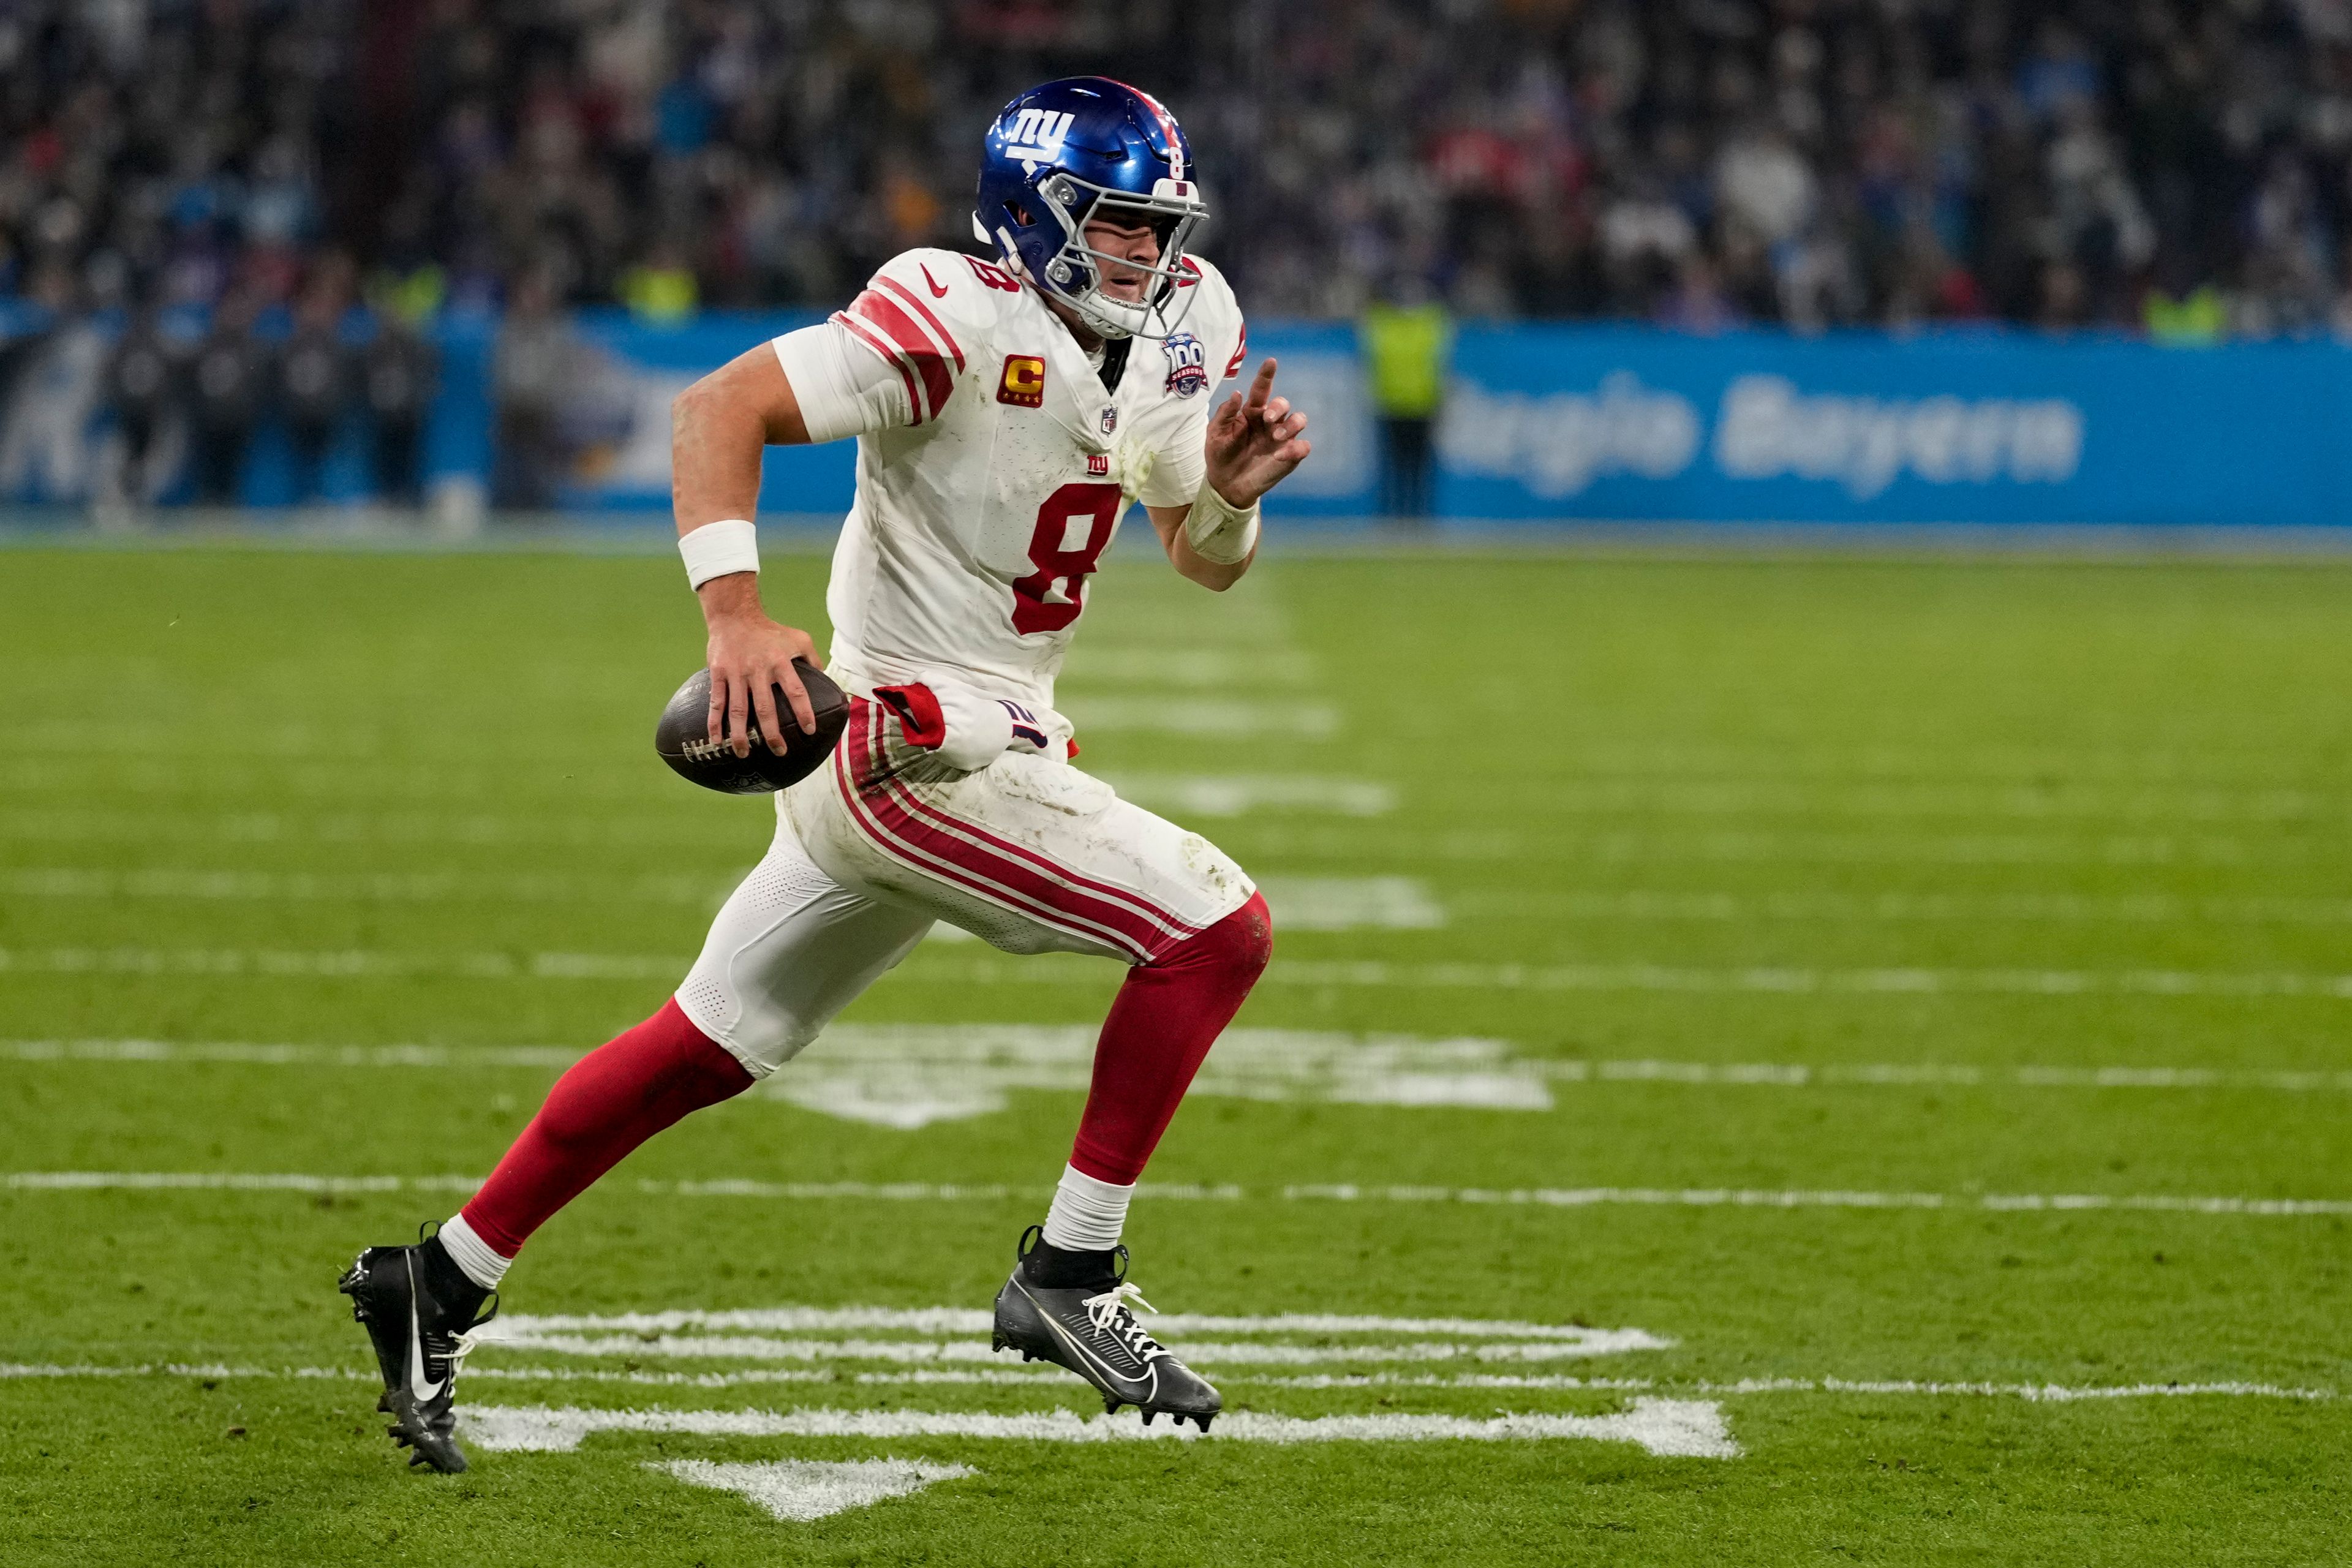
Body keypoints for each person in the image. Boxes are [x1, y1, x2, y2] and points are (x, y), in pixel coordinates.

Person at [339, 77, 1311, 1475]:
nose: (1142, 256)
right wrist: (734, 615)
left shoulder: (1188, 319)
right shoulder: (954, 312)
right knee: (1215, 927)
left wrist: (1227, 488)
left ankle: (436, 1274)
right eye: (1112, 226)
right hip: (905, 744)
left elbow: (1198, 553)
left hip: (980, 725)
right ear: (1034, 214)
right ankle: (1069, 1269)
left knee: (706, 1041)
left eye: (1158, 228)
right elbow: (716, 405)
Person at [1359, 276, 1451, 522]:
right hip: (1393, 405)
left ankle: (1417, 517)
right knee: (1395, 469)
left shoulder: (1427, 324)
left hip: (1421, 405)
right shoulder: (1385, 324)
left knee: (1417, 469)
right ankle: (1395, 517)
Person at [187, 291, 270, 505]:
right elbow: (193, 382)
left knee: (234, 471)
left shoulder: (251, 348)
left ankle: (230, 504)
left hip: (238, 421)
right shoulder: (206, 345)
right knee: (206, 469)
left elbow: (257, 386)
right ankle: (207, 503)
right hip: (208, 419)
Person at [363, 311, 439, 507]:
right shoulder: (377, 349)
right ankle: (386, 496)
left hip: (408, 415)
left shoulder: (414, 349)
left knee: (409, 459)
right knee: (384, 459)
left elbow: (426, 378)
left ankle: (408, 497)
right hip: (383, 414)